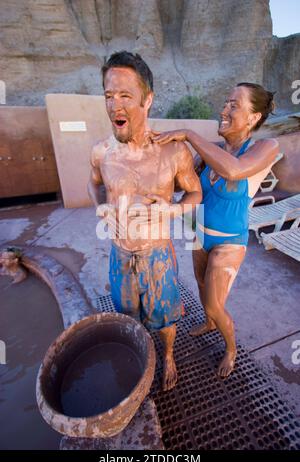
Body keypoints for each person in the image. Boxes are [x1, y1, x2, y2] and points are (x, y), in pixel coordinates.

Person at [88, 51, 202, 391]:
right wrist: (100, 208)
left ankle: (167, 355)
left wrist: (172, 209)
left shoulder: (173, 152)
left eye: (125, 96)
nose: (114, 106)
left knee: (165, 320)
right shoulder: (101, 152)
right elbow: (93, 184)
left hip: (158, 256)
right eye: (109, 96)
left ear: (147, 100)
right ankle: (139, 357)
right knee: (128, 317)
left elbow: (196, 195)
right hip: (119, 254)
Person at [153, 83, 279, 378]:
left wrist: (189, 134)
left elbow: (233, 171)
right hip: (196, 230)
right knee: (199, 284)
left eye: (234, 105)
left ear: (253, 117)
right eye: (225, 103)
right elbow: (183, 187)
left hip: (229, 242)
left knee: (213, 301)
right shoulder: (211, 152)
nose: (223, 110)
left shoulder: (264, 148)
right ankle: (210, 323)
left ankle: (231, 348)